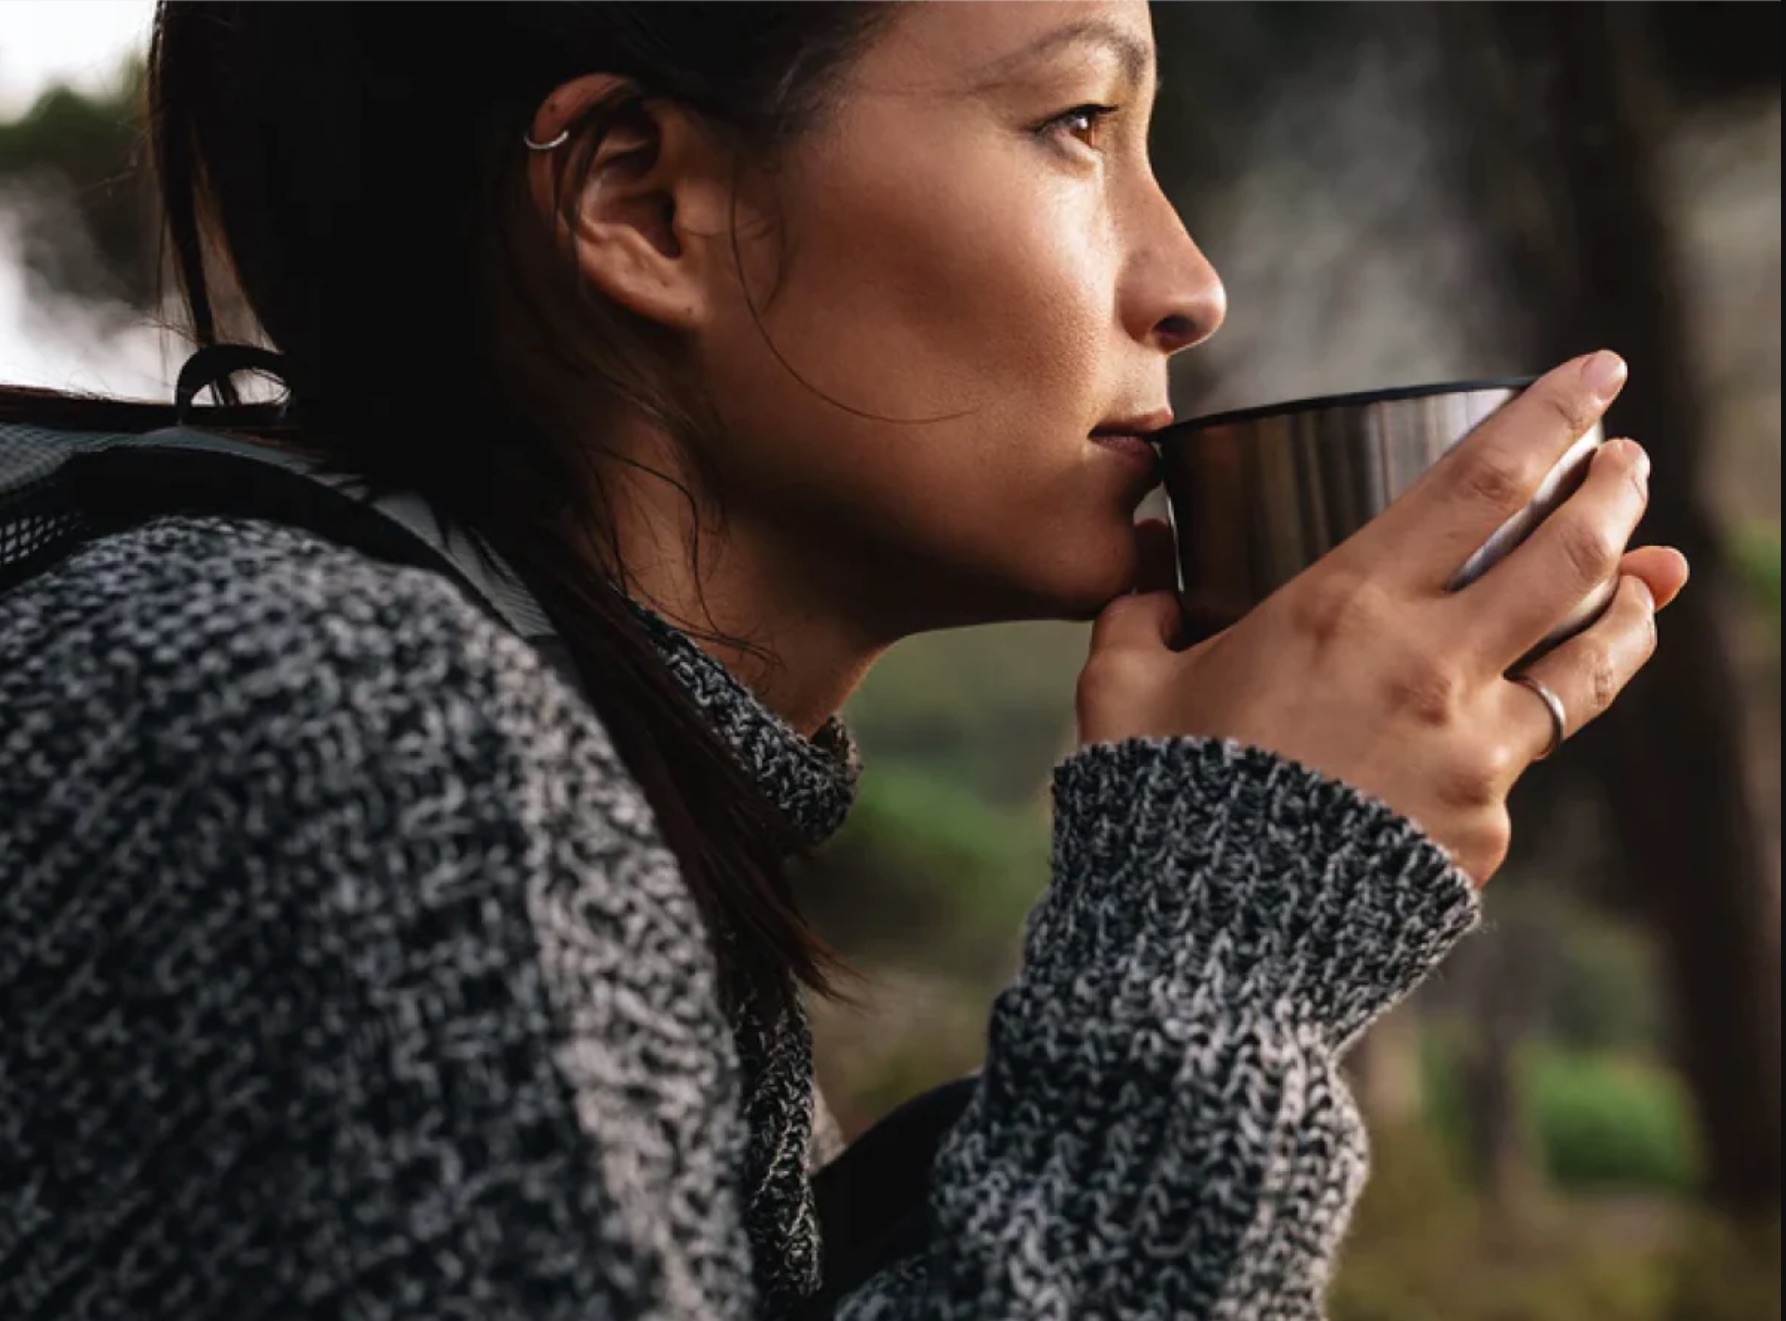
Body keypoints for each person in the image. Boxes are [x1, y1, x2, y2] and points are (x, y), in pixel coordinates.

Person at [0, 3, 1690, 1318]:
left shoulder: (521, 741)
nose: (1191, 286)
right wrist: (1226, 946)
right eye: (1076, 123)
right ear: (643, 204)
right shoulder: (327, 724)